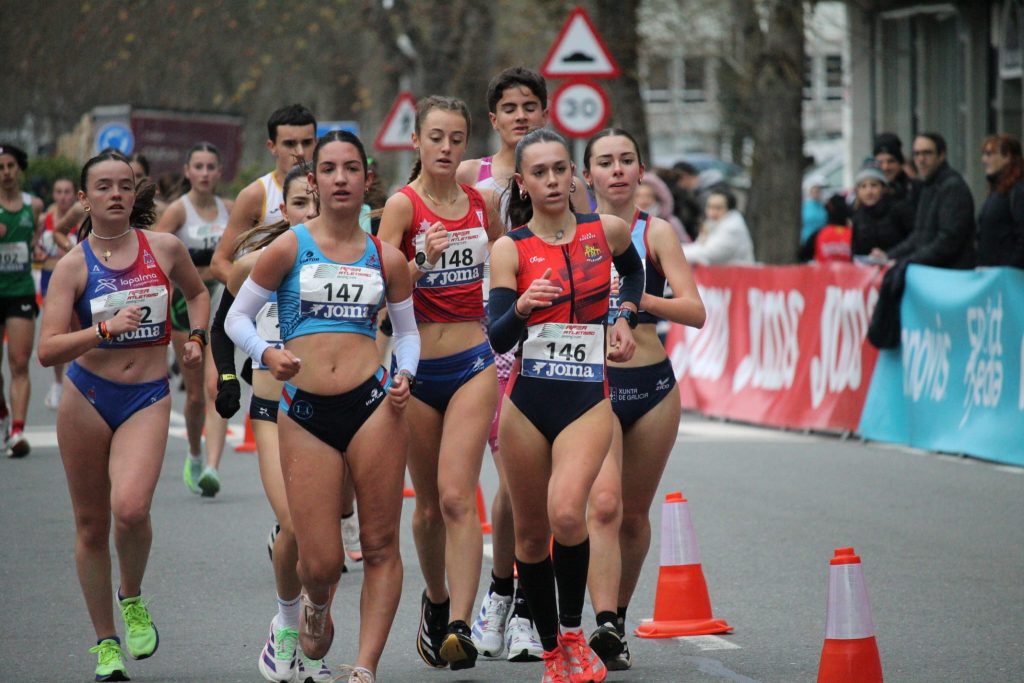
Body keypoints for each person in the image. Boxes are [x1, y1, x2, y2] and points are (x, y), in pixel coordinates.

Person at [226, 131, 418, 683]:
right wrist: (268, 353)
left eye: (350, 169)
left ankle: (365, 666)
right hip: (305, 410)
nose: (340, 178)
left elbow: (407, 336)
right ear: (314, 181)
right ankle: (310, 601)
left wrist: (405, 374)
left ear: (366, 180)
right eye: (328, 169)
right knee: (322, 561)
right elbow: (237, 318)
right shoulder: (290, 246)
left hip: (374, 406)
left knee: (381, 544)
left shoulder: (387, 256)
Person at [37, 149, 210, 682]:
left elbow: (199, 294)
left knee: (131, 509)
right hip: (87, 398)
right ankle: (105, 642)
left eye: (125, 185)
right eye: (104, 187)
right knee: (91, 525)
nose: (116, 194)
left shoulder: (164, 247)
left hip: (147, 396)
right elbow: (48, 350)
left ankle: (131, 596)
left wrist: (197, 338)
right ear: (85, 199)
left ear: (136, 194)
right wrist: (103, 331)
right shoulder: (72, 265)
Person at [487, 128, 645, 683]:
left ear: (574, 175)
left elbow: (634, 271)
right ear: (523, 183)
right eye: (540, 173)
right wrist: (524, 308)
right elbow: (498, 338)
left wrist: (623, 314)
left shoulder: (606, 231)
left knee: (565, 513)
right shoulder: (509, 249)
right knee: (530, 536)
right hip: (526, 404)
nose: (553, 181)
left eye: (561, 170)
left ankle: (575, 631)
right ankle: (553, 650)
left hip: (587, 398)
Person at [379, 95, 504, 672]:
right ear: (417, 142)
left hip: (473, 360)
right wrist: (421, 264)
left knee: (459, 497)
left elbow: (507, 267)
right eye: (436, 138)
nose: (446, 149)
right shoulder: (402, 209)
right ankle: (436, 599)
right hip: (417, 366)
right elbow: (378, 296)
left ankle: (460, 623)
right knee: (427, 505)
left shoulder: (482, 204)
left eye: (456, 139)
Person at [581, 128, 706, 671]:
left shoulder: (655, 234)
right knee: (602, 506)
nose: (616, 170)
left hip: (654, 387)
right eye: (604, 162)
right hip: (594, 385)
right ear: (586, 176)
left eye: (626, 160)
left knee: (633, 516)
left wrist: (635, 298)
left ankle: (618, 622)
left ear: (639, 171)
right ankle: (602, 619)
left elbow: (695, 310)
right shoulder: (575, 233)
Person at [210, 164, 333, 682]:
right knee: (298, 525)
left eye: (316, 202)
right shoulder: (256, 264)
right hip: (271, 409)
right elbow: (223, 330)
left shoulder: (342, 263)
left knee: (320, 541)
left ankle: (312, 648)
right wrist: (226, 379)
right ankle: (284, 629)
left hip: (330, 412)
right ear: (284, 209)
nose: (309, 211)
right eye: (300, 202)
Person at [455, 65, 547, 665]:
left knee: (526, 480)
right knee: (501, 477)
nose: (520, 115)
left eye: (529, 106)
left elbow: (586, 239)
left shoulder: (557, 171)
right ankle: (494, 595)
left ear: (544, 113)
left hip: (545, 337)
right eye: (509, 108)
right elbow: (427, 226)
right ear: (493, 119)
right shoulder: (471, 174)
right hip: (489, 337)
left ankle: (513, 602)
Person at [152, 143, 234, 496]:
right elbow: (153, 253)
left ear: (219, 172)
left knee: (217, 387)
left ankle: (213, 468)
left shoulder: (229, 209)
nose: (204, 173)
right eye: (197, 166)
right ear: (187, 171)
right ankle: (195, 452)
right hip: (187, 306)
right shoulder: (177, 212)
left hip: (221, 301)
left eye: (210, 167)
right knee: (197, 394)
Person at [211, 104, 317, 283]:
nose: (300, 152)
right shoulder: (256, 194)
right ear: (272, 146)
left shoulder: (329, 190)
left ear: (316, 143)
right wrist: (257, 296)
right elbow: (219, 263)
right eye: (290, 144)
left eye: (306, 143)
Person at [873, 133, 976, 269]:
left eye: (927, 153)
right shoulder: (928, 185)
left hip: (949, 276)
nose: (921, 159)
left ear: (941, 155)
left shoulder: (952, 187)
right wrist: (889, 256)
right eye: (916, 154)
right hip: (933, 273)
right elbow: (919, 235)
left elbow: (948, 240)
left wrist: (907, 261)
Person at [0, 143, 43, 457]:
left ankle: (17, 430)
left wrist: (38, 249)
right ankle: (3, 414)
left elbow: (35, 240)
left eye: (11, 166)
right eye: (0, 168)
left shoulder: (34, 205)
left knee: (19, 363)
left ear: (20, 168)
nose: (6, 173)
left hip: (21, 292)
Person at [37, 176, 81, 410]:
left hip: (77, 280)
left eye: (67, 192)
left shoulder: (80, 218)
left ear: (74, 194)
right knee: (58, 331)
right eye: (58, 192)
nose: (63, 196)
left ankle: (75, 379)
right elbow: (34, 244)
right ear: (53, 195)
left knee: (77, 330)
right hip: (50, 278)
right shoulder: (45, 219)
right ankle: (57, 383)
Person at [977, 134, 1024, 268]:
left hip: (1006, 276)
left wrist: (1009, 268)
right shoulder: (998, 190)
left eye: (989, 154)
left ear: (1007, 157)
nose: (984, 159)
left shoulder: (1017, 191)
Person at [851, 160, 914, 258]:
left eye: (874, 185)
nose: (869, 191)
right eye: (863, 186)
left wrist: (888, 255)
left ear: (884, 188)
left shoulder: (898, 209)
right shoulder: (858, 215)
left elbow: (913, 239)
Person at [683, 188, 754, 265]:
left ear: (729, 210)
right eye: (709, 207)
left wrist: (677, 252)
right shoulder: (712, 223)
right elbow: (699, 246)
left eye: (718, 208)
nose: (712, 212)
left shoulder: (732, 228)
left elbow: (708, 254)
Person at [873, 132, 919, 207]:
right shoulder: (866, 192)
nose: (885, 167)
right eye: (880, 162)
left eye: (891, 161)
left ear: (900, 163)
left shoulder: (914, 190)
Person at [800, 178, 828, 250]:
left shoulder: (824, 206)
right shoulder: (804, 206)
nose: (817, 192)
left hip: (821, 242)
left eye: (819, 190)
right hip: (806, 241)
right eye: (814, 190)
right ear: (809, 191)